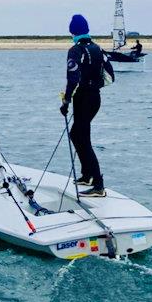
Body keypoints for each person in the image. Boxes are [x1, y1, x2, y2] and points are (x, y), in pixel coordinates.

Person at [59, 14, 114, 198]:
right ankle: (87, 175)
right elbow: (111, 76)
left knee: (83, 138)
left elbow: (72, 78)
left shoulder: (75, 51)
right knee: (77, 134)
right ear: (87, 30)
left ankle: (98, 185)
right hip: (95, 98)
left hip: (83, 99)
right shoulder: (98, 49)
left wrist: (66, 101)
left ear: (72, 32)